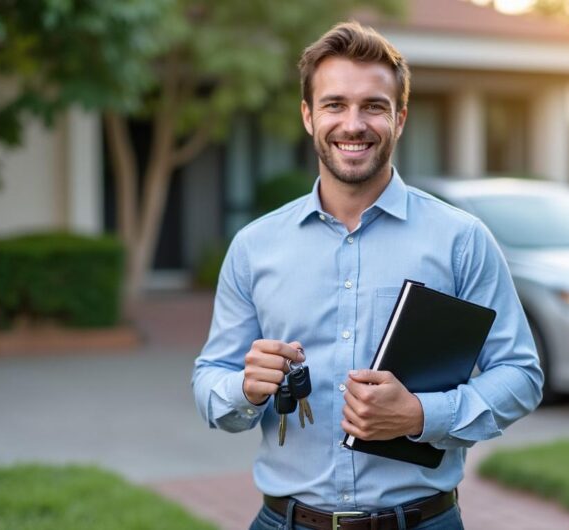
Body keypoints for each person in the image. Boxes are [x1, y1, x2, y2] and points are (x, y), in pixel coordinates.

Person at [192, 21, 543, 530]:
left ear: (400, 118)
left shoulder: (461, 240)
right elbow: (209, 380)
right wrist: (244, 389)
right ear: (308, 116)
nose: (353, 124)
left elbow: (521, 375)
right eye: (335, 104)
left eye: (373, 106)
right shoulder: (253, 247)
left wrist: (422, 415)